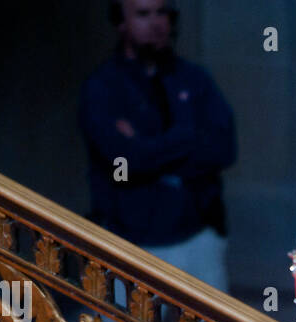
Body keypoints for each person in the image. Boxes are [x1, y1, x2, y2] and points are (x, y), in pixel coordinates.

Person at [80, 0, 236, 291]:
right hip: (131, 244)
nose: (155, 22)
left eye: (162, 12)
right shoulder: (103, 87)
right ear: (121, 22)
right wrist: (187, 136)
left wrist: (145, 145)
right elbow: (124, 160)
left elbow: (223, 148)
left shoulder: (195, 79)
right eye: (142, 14)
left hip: (198, 236)